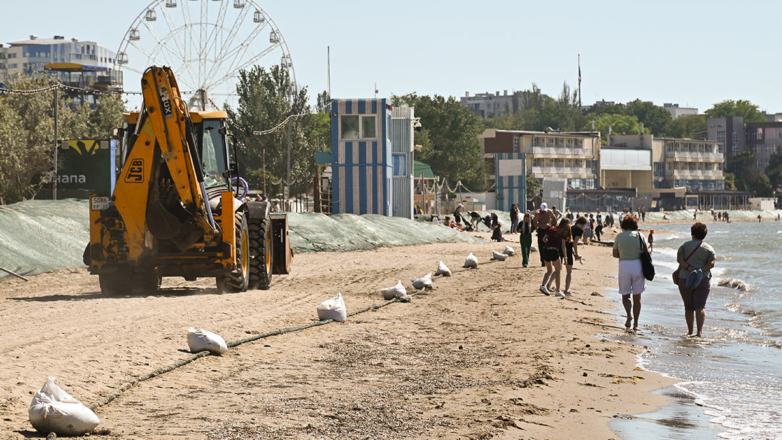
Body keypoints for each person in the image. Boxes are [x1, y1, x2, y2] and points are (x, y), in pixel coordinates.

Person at [677, 222, 716, 338]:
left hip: (685, 278)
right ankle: (699, 333)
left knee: (688, 307)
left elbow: (680, 260)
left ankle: (690, 332)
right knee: (700, 306)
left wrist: (690, 268)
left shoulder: (684, 246)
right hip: (703, 279)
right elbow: (711, 264)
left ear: (692, 233)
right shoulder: (709, 249)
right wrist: (700, 270)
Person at [612, 216, 648, 332]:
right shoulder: (640, 236)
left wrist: (624, 254)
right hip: (637, 265)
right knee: (637, 297)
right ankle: (636, 324)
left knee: (625, 295)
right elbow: (646, 252)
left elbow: (615, 254)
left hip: (624, 266)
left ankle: (628, 315)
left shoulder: (619, 236)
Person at [540, 222, 563, 297]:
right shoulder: (562, 231)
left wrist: (549, 243)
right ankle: (558, 290)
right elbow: (563, 244)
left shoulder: (551, 229)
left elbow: (543, 239)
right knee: (558, 270)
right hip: (554, 250)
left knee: (549, 270)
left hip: (546, 250)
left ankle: (543, 286)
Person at [558, 218, 579, 296]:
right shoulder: (566, 233)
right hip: (566, 253)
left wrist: (575, 254)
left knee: (557, 270)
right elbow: (564, 246)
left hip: (561, 252)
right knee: (568, 272)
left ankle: (549, 285)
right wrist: (566, 257)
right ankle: (566, 290)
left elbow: (569, 246)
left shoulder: (559, 232)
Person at [533, 203, 558, 267]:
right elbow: (534, 223)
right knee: (541, 246)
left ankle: (551, 260)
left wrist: (549, 223)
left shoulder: (549, 212)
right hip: (541, 230)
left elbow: (555, 219)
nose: (543, 211)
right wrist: (541, 225)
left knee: (550, 244)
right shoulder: (537, 214)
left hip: (548, 229)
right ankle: (543, 261)